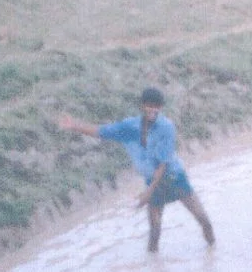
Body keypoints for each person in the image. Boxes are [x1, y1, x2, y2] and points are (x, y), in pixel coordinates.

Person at [58, 87, 215, 253]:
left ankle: (212, 252)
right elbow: (101, 132)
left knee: (203, 220)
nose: (153, 110)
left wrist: (149, 191)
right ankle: (155, 271)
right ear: (142, 106)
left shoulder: (166, 127)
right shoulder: (129, 127)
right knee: (154, 232)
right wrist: (74, 125)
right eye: (149, 105)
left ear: (160, 108)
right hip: (152, 181)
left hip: (174, 177)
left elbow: (163, 163)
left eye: (157, 107)